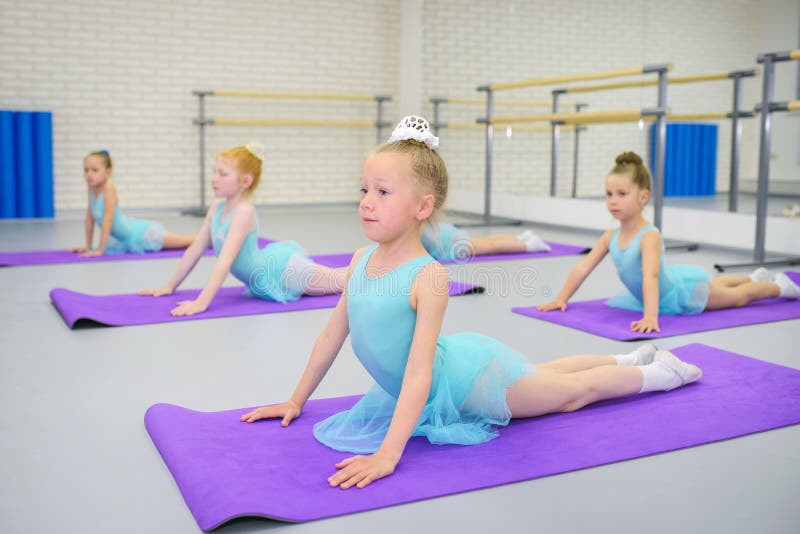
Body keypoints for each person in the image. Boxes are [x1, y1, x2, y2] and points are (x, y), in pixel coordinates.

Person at [240, 117, 703, 490]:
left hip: (470, 384)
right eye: (364, 189)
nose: (367, 202)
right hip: (454, 370)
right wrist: (295, 400)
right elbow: (330, 336)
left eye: (383, 192)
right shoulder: (361, 260)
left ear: (423, 207)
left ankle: (657, 373)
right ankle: (623, 355)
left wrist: (388, 454)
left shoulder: (428, 276)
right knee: (547, 371)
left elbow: (419, 374)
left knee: (568, 394)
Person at [537, 151, 800, 333]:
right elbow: (583, 267)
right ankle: (752, 275)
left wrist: (650, 316)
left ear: (643, 196)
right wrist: (561, 298)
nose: (612, 201)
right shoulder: (611, 236)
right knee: (714, 284)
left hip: (676, 294)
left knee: (737, 298)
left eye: (621, 194)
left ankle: (779, 287)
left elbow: (650, 278)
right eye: (608, 194)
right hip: (658, 292)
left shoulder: (649, 236)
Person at [139, 143, 346, 316]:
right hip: (262, 277)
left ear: (245, 181)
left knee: (345, 282)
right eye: (214, 172)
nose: (213, 178)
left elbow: (225, 260)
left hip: (282, 271)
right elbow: (195, 250)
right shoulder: (217, 207)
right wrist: (170, 286)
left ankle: (375, 269)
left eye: (222, 174)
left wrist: (201, 302)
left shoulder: (243, 212)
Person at [72, 150, 195, 256]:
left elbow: (107, 221)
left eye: (94, 170)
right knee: (185, 242)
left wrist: (100, 250)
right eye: (86, 170)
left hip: (141, 234)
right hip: (125, 235)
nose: (89, 174)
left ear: (108, 172)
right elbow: (89, 219)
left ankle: (208, 238)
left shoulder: (108, 189)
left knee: (187, 242)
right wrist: (88, 246)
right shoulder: (91, 189)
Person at [421, 222, 551, 262]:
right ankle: (519, 238)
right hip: (445, 234)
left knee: (490, 246)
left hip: (449, 243)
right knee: (486, 241)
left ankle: (529, 245)